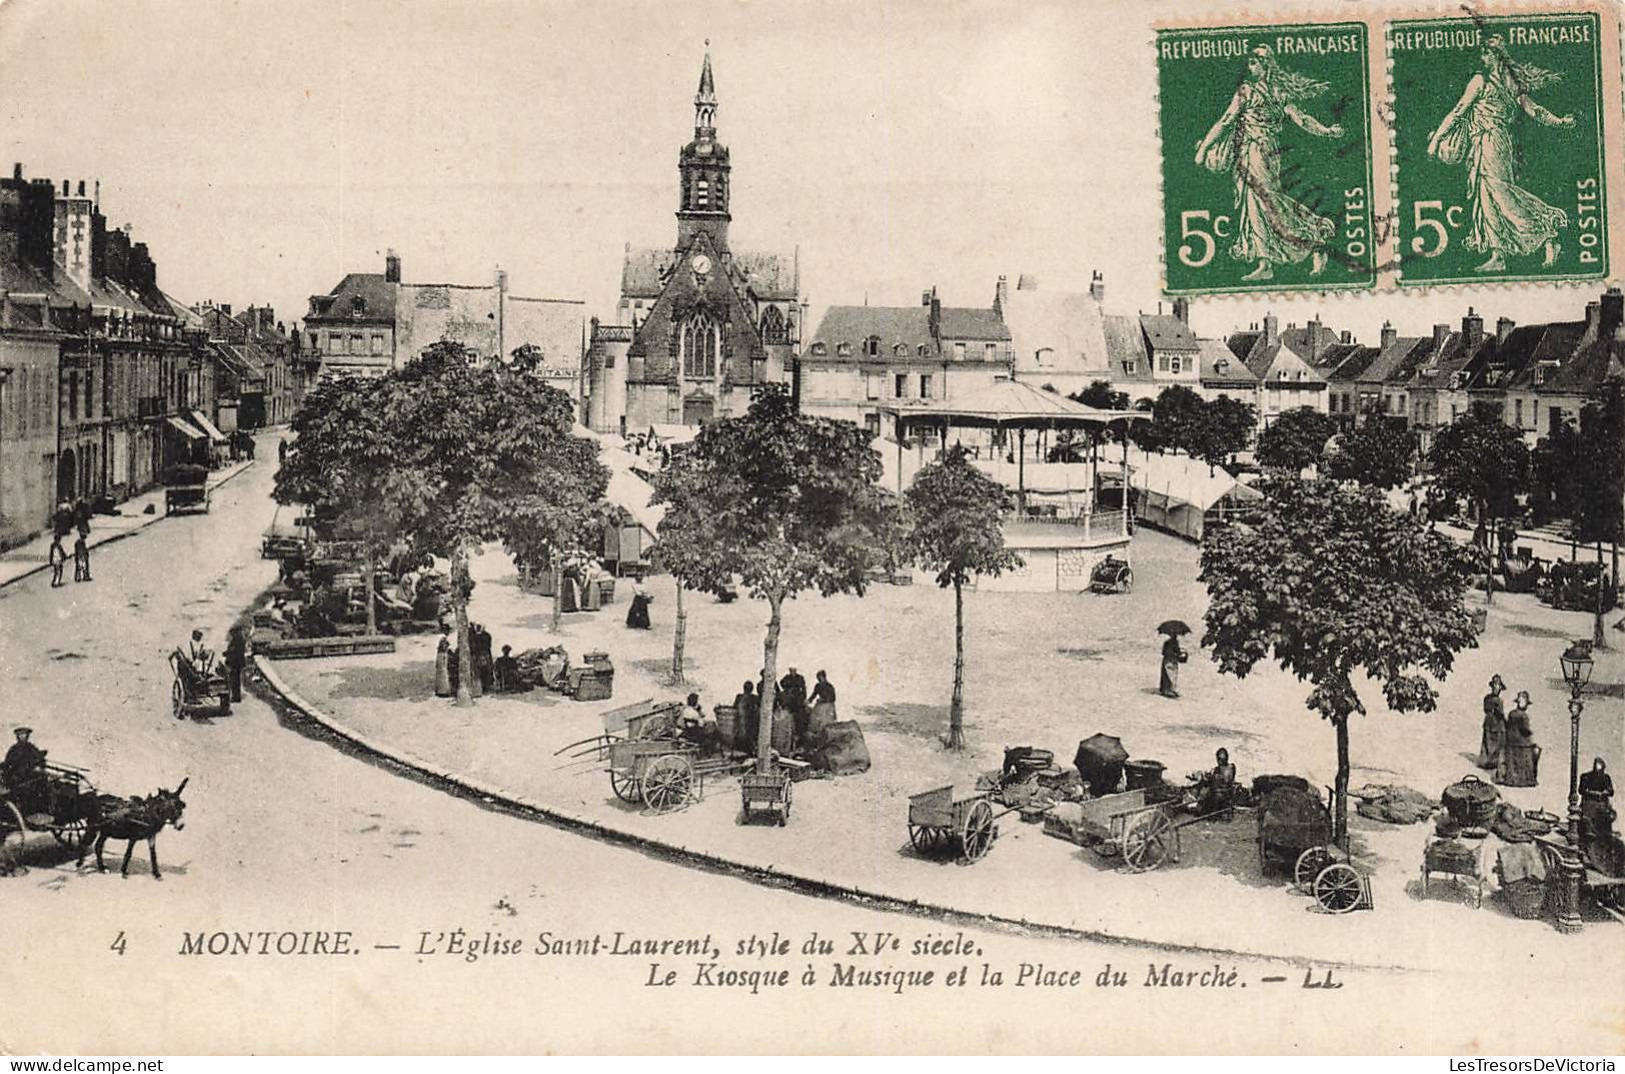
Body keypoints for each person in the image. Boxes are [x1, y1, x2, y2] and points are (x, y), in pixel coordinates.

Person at [1194, 45, 1344, 282]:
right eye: (1249, 62)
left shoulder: (1249, 92)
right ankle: (1269, 261)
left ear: (1265, 66)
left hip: (1257, 152)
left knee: (1264, 203)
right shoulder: (1277, 93)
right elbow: (1302, 119)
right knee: (1260, 203)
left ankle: (1311, 241)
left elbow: (1225, 121)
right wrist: (1326, 131)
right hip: (1259, 152)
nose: (1249, 66)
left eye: (1254, 62)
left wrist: (1203, 149)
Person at [1427, 35, 1574, 273]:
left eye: (1485, 53)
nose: (1482, 57)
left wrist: (1436, 139)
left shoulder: (1480, 80)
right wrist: (1559, 122)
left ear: (1495, 56)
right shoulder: (1511, 84)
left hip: (1489, 141)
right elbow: (1535, 111)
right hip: (1493, 142)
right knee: (1488, 196)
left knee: (1499, 193)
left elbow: (1458, 111)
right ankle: (1499, 254)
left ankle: (1546, 233)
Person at [1496, 691, 1541, 787]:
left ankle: (1511, 778)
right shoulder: (1524, 716)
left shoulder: (1512, 713)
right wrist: (1531, 733)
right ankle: (1526, 779)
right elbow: (1525, 730)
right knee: (1534, 751)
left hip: (1511, 742)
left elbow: (1508, 725)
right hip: (1522, 743)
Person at [1, 727, 47, 812]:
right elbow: (7, 763)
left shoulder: (31, 748)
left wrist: (38, 766)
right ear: (17, 737)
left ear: (27, 736)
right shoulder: (13, 749)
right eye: (20, 735)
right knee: (12, 782)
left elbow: (40, 760)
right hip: (16, 777)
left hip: (29, 776)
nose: (22, 736)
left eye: (24, 734)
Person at [1197, 748, 1238, 820]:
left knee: (1210, 796)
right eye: (1219, 759)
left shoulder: (1230, 767)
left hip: (1224, 793)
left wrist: (1215, 778)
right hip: (1217, 792)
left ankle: (1211, 814)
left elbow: (1227, 780)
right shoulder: (1217, 769)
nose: (1219, 761)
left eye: (1221, 759)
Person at [1477, 674, 1508, 769]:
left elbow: (1486, 710)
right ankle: (1490, 761)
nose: (1496, 688)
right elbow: (1499, 713)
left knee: (1491, 741)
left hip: (1490, 722)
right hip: (1495, 723)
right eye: (1495, 686)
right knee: (1495, 741)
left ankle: (1488, 761)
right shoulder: (1496, 700)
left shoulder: (1488, 698)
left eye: (1498, 686)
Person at [779, 667, 808, 746]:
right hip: (789, 703)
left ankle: (799, 740)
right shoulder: (786, 678)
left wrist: (802, 698)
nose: (792, 672)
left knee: (800, 721)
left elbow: (804, 689)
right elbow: (782, 684)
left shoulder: (800, 678)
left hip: (797, 702)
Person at [223, 624, 249, 706]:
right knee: (236, 680)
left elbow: (234, 651)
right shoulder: (241, 638)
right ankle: (236, 696)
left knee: (235, 680)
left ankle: (236, 697)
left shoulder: (238, 639)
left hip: (235, 663)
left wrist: (226, 653)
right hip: (238, 662)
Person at [809, 670, 838, 743]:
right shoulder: (818, 686)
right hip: (820, 706)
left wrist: (823, 700)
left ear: (824, 677)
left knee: (826, 723)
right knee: (814, 719)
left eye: (820, 678)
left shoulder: (829, 686)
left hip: (828, 706)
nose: (819, 679)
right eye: (818, 678)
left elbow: (833, 698)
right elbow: (813, 695)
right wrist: (808, 701)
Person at [732, 681, 760, 754]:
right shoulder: (755, 697)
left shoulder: (739, 697)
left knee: (742, 733)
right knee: (750, 735)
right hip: (750, 720)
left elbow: (734, 708)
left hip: (744, 719)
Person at [1159, 634, 1188, 699]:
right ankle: (1168, 689)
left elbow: (1163, 652)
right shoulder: (1172, 643)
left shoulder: (1170, 642)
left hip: (1170, 660)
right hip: (1170, 660)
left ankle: (1168, 689)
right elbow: (1166, 652)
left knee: (1170, 674)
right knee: (1169, 674)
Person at [434, 625, 454, 698]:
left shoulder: (440, 637)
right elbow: (443, 647)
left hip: (439, 655)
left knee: (440, 673)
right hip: (442, 655)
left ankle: (440, 690)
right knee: (444, 673)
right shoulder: (443, 638)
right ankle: (443, 691)